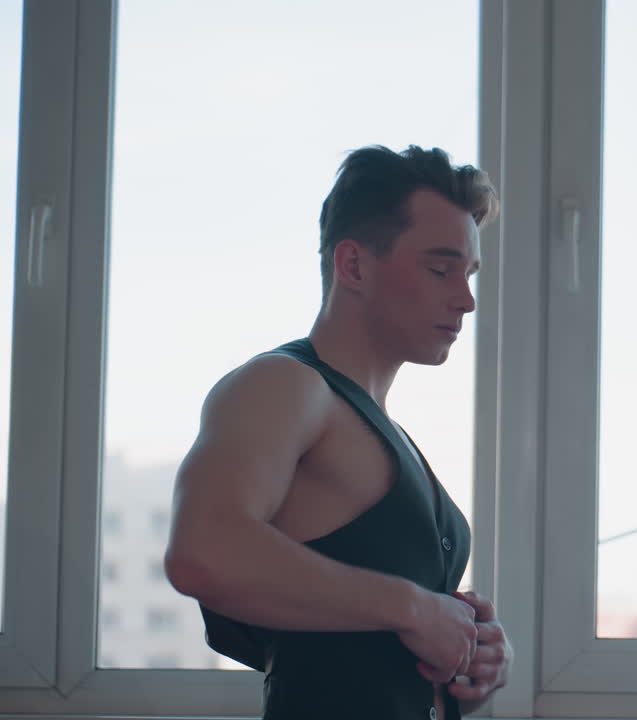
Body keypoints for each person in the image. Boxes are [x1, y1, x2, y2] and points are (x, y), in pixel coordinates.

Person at [164, 145, 510, 720]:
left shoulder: (383, 427)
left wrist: (468, 654)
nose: (466, 300)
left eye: (469, 274)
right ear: (352, 266)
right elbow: (202, 551)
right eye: (440, 269)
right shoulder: (283, 385)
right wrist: (412, 608)